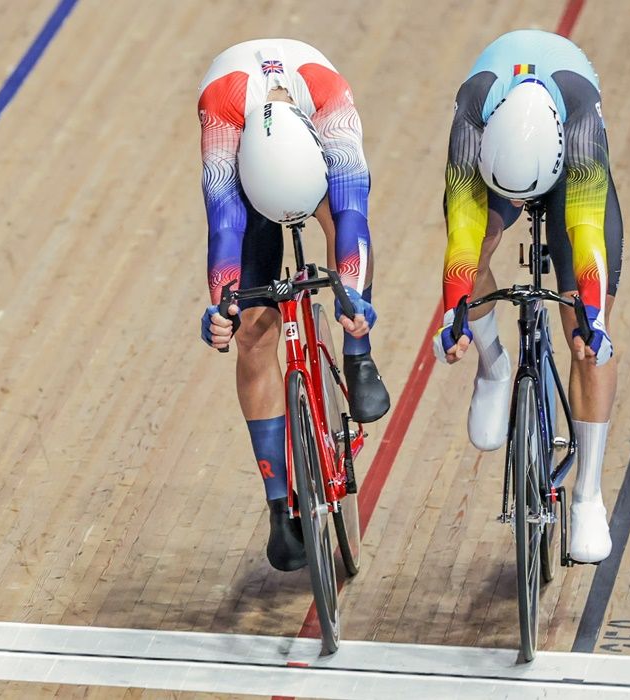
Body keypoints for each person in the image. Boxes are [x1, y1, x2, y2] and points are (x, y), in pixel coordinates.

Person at [196, 39, 390, 571]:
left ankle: (359, 354)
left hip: (311, 153)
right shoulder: (222, 114)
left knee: (341, 226)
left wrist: (354, 301)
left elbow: (352, 217)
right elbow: (224, 228)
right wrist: (221, 310)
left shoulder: (331, 105)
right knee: (252, 332)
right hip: (251, 163)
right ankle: (279, 505)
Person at [436, 30, 623, 563]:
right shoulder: (473, 115)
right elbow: (462, 239)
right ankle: (495, 366)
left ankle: (588, 494)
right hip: (498, 162)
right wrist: (455, 317)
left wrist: (593, 319)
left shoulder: (580, 122)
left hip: (566, 176)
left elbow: (587, 234)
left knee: (583, 334)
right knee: (477, 247)